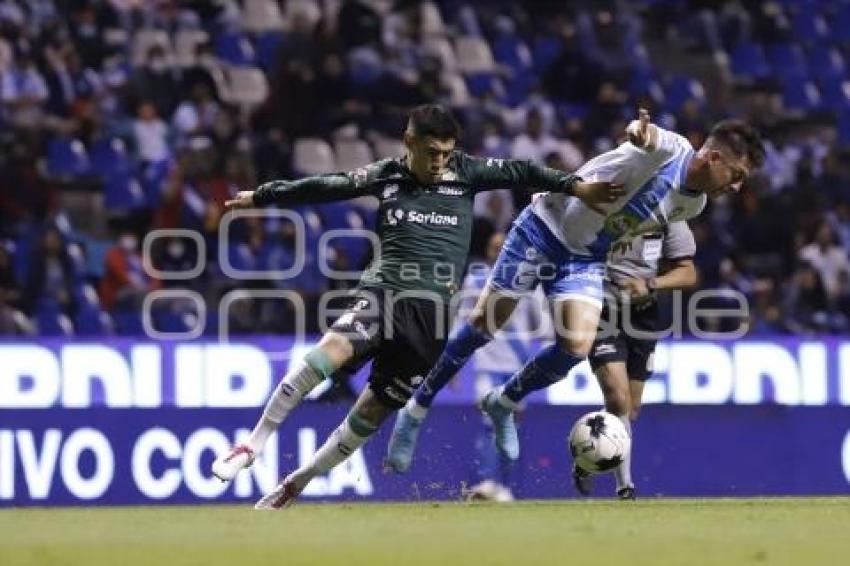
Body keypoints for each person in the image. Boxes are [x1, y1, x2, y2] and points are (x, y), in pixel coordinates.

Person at [210, 104, 623, 509]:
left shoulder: (466, 172)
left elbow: (526, 171)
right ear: (409, 142)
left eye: (446, 153)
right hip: (384, 296)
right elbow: (329, 183)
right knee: (326, 355)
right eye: (431, 153)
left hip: (430, 324)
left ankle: (295, 484)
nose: (439, 162)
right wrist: (265, 195)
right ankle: (252, 444)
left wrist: (576, 186)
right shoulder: (386, 175)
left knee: (369, 413)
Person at [386, 110, 765, 475]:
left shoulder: (693, 204)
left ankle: (503, 401)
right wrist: (638, 132)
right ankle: (415, 409)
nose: (736, 186)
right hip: (544, 226)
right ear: (714, 157)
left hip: (584, 257)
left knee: (576, 347)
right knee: (485, 324)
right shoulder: (671, 149)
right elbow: (644, 135)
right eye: (736, 174)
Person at [576, 221, 697, 500]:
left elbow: (688, 273)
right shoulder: (608, 202)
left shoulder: (671, 214)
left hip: (643, 315)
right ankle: (625, 487)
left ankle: (586, 453)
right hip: (600, 311)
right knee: (617, 399)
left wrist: (651, 283)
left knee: (630, 409)